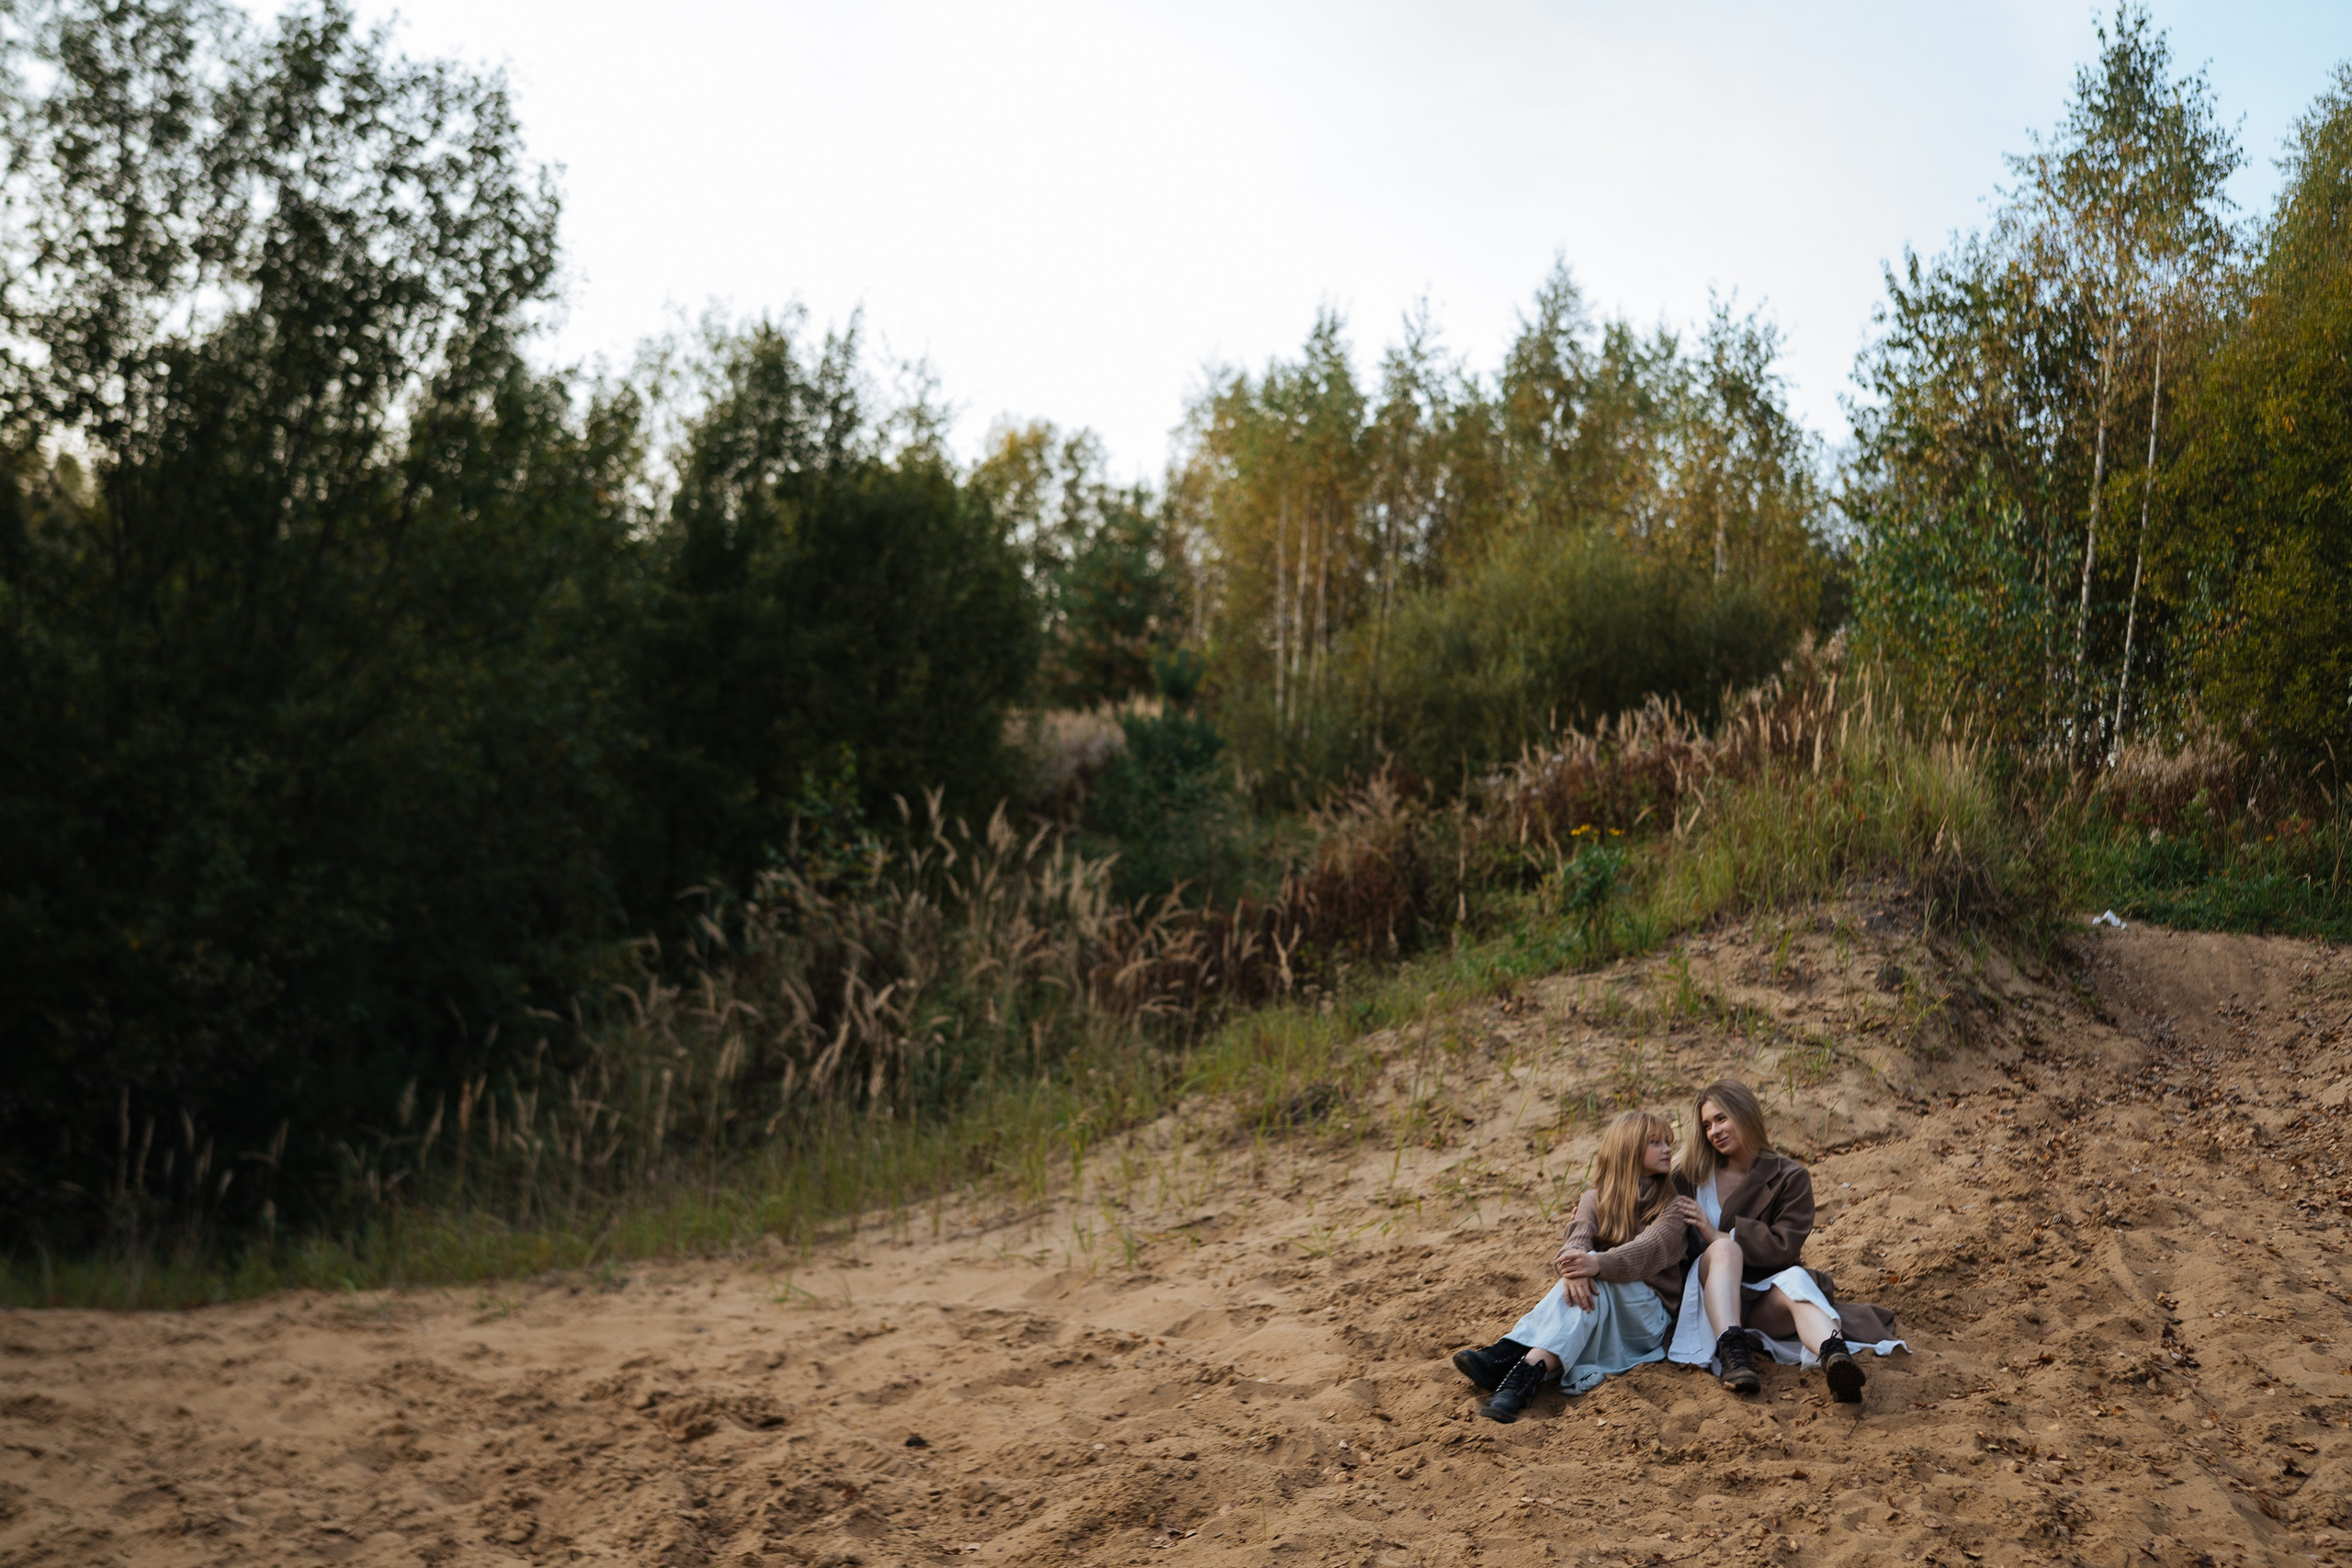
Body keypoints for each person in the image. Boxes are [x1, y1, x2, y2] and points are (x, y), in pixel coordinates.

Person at [1663, 1078, 1902, 1402]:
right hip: (1709, 1297)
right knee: (1722, 1250)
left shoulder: (1790, 1177)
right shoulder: (1689, 1175)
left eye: (1721, 1118)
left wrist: (1716, 1231)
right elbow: (1640, 1206)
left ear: (1745, 1115)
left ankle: (1834, 1356)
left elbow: (1784, 1247)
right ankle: (1734, 1356)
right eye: (1706, 1125)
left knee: (1796, 1280)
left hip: (1762, 1301)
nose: (1713, 1131)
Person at [1451, 1110, 1690, 1422]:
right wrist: (1575, 1269)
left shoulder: (1674, 1207)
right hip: (1597, 1302)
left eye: (1668, 1142)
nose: (1668, 1149)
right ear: (1627, 1150)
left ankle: (1507, 1354)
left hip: (1648, 1316)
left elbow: (1644, 1252)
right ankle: (1520, 1378)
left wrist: (1592, 1264)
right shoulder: (1594, 1198)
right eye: (1655, 1143)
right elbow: (1576, 1241)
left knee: (1597, 1284)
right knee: (1585, 1288)